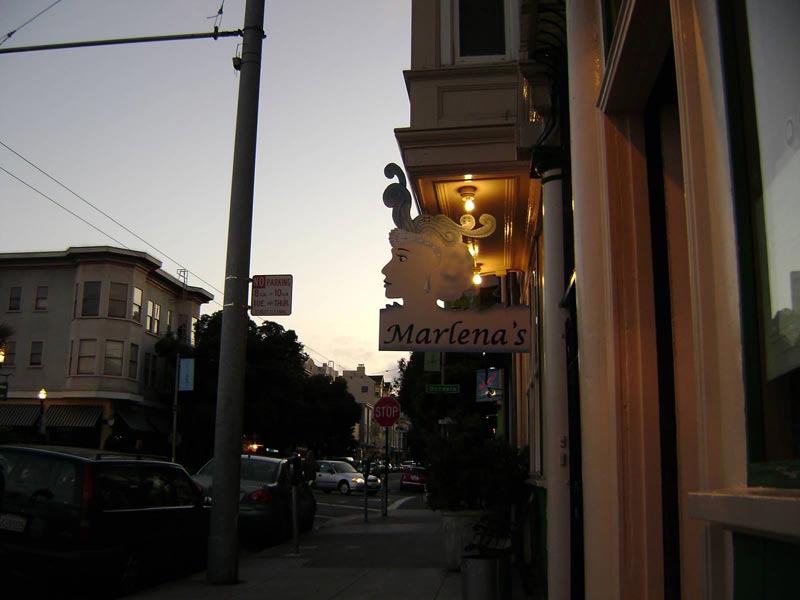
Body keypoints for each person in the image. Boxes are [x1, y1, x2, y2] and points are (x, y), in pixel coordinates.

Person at [381, 163, 496, 312]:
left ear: (431, 269)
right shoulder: (397, 325)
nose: (386, 269)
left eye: (402, 258)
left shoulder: (459, 327)